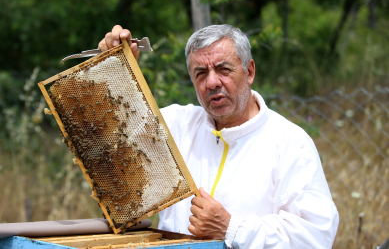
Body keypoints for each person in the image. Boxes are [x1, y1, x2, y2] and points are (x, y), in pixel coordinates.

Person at [98, 24, 339, 248]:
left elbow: (315, 236)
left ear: (249, 71)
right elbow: (111, 143)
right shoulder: (176, 125)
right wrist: (115, 70)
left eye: (223, 69)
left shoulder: (290, 143)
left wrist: (232, 229)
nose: (212, 82)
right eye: (201, 73)